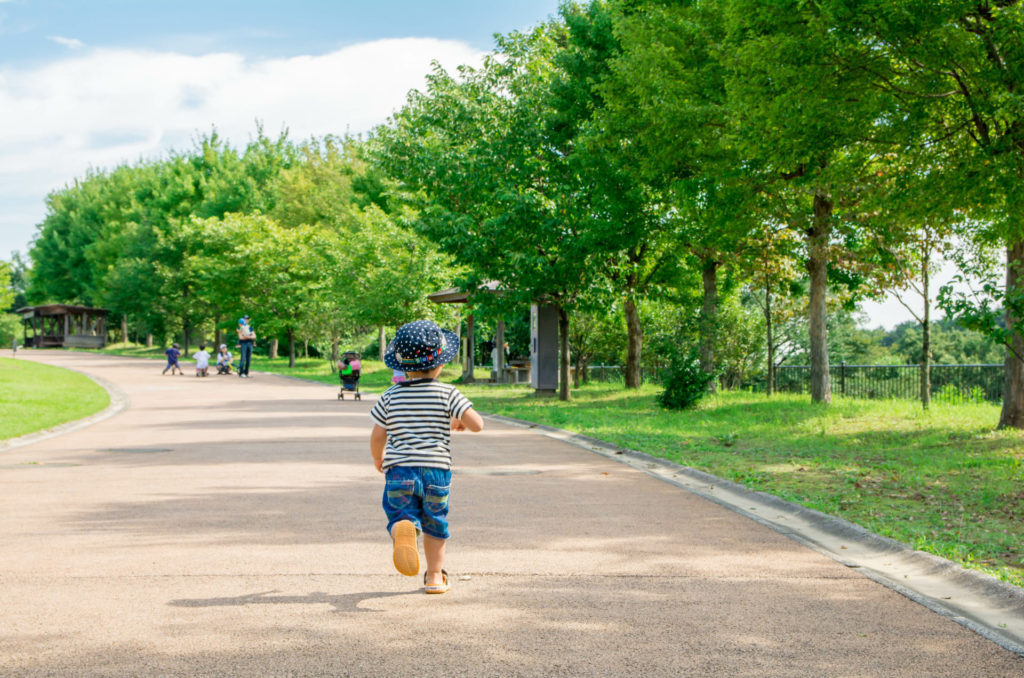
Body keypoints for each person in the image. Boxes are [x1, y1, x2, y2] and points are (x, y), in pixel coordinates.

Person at [369, 320, 483, 595]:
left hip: (400, 471)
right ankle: (434, 577)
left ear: (403, 365)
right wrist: (459, 420)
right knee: (436, 522)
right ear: (440, 363)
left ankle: (403, 528)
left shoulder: (390, 396)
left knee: (400, 514)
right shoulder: (447, 393)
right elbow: (478, 423)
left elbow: (377, 435)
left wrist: (378, 458)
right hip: (436, 471)